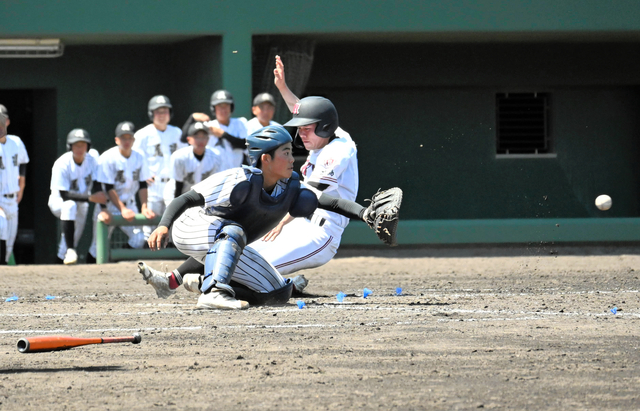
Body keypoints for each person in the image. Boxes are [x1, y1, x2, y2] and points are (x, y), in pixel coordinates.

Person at [137, 126, 389, 309]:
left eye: (292, 152)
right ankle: (212, 292)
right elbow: (187, 199)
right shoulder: (238, 179)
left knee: (278, 293)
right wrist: (163, 226)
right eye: (286, 153)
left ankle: (176, 282)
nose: (292, 159)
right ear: (266, 158)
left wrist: (365, 214)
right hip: (189, 225)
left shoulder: (289, 187)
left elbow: (330, 201)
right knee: (232, 232)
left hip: (224, 236)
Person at [88, 122, 154, 257]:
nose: (127, 141)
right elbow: (108, 187)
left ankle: (116, 263)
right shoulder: (107, 157)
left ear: (134, 139)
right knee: (97, 246)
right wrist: (122, 209)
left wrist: (144, 207)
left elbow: (142, 183)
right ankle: (90, 271)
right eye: (123, 138)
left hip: (130, 204)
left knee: (139, 239)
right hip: (108, 205)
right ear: (116, 140)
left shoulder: (139, 156)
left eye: (129, 137)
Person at [48, 129, 107, 264]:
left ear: (88, 146)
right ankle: (70, 250)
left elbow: (97, 184)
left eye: (83, 144)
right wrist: (91, 198)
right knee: (70, 205)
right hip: (59, 201)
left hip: (82, 202)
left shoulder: (92, 159)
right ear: (70, 146)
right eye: (76, 145)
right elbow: (64, 194)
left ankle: (61, 260)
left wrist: (102, 205)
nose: (80, 148)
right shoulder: (62, 163)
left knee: (73, 237)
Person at [133, 95, 185, 240]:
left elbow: (184, 157)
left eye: (165, 111)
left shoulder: (177, 132)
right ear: (151, 114)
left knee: (174, 222)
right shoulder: (143, 134)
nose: (162, 115)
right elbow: (134, 158)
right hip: (153, 186)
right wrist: (142, 176)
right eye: (158, 111)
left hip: (173, 184)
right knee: (149, 226)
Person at [182, 90, 249, 171]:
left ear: (231, 107)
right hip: (215, 175)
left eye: (226, 106)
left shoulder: (240, 122)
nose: (223, 110)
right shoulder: (208, 126)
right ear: (213, 108)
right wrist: (191, 118)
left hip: (237, 173)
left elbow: (245, 145)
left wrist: (223, 135)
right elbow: (183, 139)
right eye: (220, 106)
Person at [163, 121, 222, 206]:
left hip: (199, 197)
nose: (200, 140)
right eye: (196, 137)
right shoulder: (180, 157)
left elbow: (214, 185)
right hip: (175, 194)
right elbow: (178, 186)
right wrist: (178, 208)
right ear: (189, 140)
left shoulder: (215, 156)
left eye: (204, 137)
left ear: (208, 139)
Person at [0, 112, 27, 264]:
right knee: (1, 226)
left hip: (12, 200)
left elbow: (23, 162)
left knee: (9, 246)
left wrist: (21, 186)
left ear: (7, 122)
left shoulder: (15, 142)